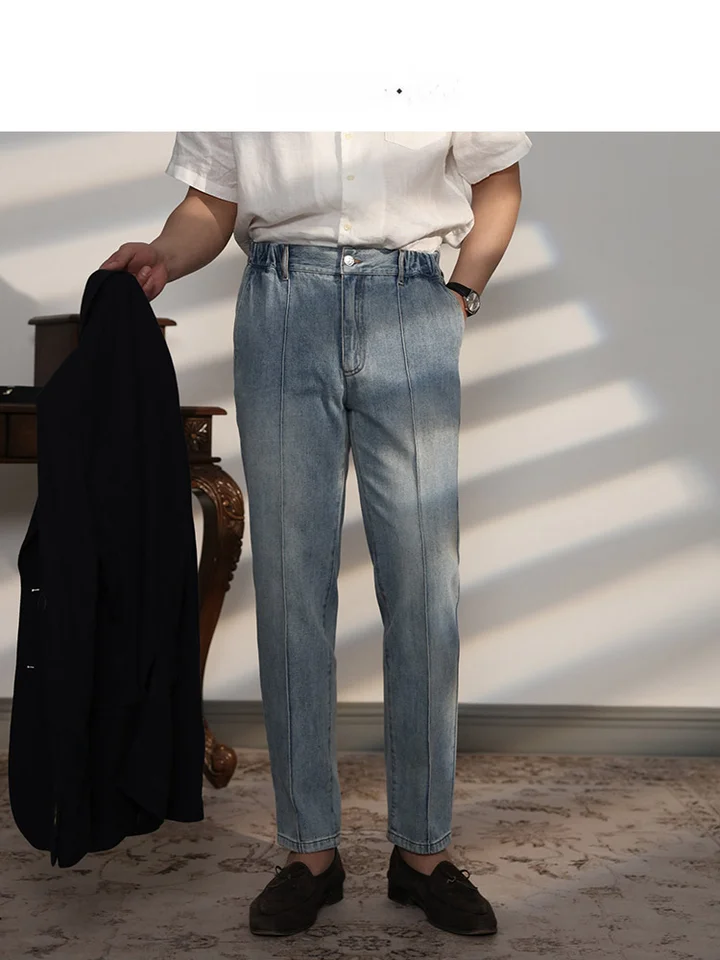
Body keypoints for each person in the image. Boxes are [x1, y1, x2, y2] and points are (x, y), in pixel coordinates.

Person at [100, 130, 531, 938]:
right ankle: (309, 853)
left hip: (409, 299)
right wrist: (162, 253)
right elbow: (210, 202)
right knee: (292, 584)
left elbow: (498, 185)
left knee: (425, 584)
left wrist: (459, 294)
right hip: (281, 306)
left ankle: (424, 853)